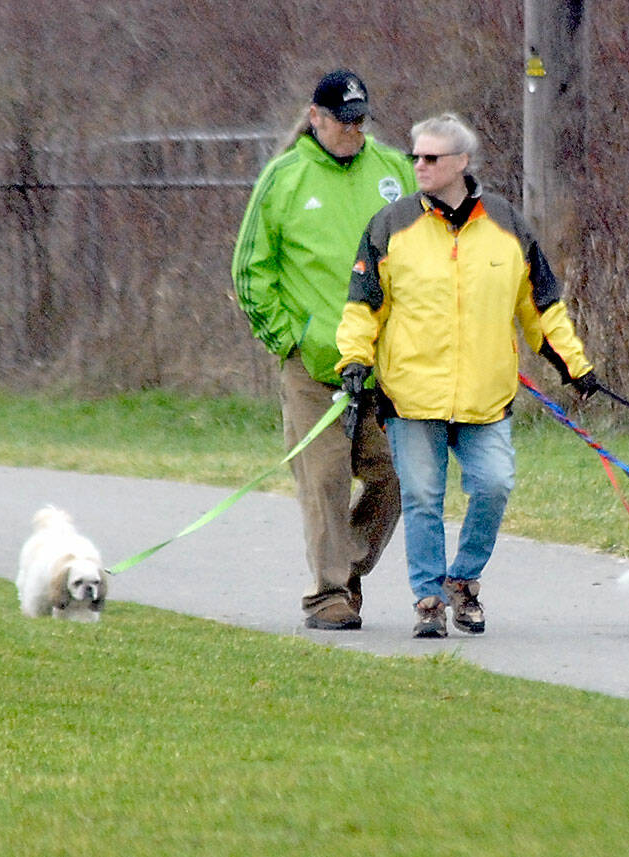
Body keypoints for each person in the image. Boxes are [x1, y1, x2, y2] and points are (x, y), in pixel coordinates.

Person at [335, 112, 599, 638]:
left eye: (432, 158)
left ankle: (464, 582)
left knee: (494, 484)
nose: (420, 166)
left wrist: (575, 365)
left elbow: (540, 307)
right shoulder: (390, 225)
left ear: (462, 163)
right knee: (423, 497)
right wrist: (355, 361)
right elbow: (362, 308)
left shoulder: (507, 225)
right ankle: (429, 600)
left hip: (485, 394)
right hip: (411, 395)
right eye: (415, 157)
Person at [231, 70, 416, 630]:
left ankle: (347, 564)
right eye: (342, 120)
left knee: (397, 472)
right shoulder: (284, 177)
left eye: (361, 120)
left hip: (382, 365)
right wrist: (288, 340)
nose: (353, 131)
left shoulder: (393, 170)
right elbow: (250, 271)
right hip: (314, 367)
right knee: (326, 478)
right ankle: (328, 594)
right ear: (316, 118)